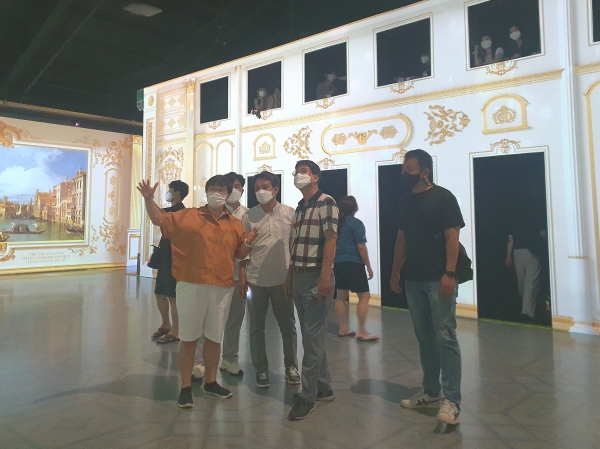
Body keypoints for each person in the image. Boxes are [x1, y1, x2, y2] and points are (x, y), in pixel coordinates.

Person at [137, 175, 258, 409]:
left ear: (228, 194)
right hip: (192, 284)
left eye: (221, 190)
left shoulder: (234, 224)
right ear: (206, 191)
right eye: (212, 189)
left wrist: (250, 241)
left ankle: (211, 381)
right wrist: (148, 199)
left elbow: (240, 254)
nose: (216, 193)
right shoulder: (188, 216)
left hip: (222, 287)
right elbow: (159, 219)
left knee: (214, 337)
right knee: (189, 337)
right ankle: (185, 387)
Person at [389, 149, 464, 425]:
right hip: (414, 279)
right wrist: (395, 272)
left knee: (445, 336)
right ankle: (432, 392)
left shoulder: (444, 197)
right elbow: (401, 240)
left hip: (438, 277)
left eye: (409, 170)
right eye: (403, 169)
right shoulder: (405, 201)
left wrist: (449, 273)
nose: (404, 174)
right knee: (424, 338)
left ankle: (452, 400)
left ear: (425, 172)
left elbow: (452, 237)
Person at [285, 160, 338, 421]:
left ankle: (307, 395)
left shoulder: (326, 202)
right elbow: (294, 244)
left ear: (316, 177)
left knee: (312, 336)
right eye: (297, 172)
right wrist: (290, 277)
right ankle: (323, 386)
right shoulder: (300, 206)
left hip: (317, 275)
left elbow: (331, 239)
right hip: (299, 275)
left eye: (304, 171)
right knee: (312, 337)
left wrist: (325, 276)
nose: (299, 175)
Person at [240, 171, 299, 388]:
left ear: (275, 189)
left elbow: (294, 247)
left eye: (265, 187)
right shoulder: (249, 216)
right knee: (256, 328)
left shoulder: (290, 213)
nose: (260, 191)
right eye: (257, 188)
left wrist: (291, 277)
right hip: (256, 280)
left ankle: (291, 366)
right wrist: (243, 276)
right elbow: (243, 249)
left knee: (288, 325)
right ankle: (261, 369)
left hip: (283, 280)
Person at [216, 172, 250, 375]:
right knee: (210, 318)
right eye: (229, 186)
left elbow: (248, 247)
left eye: (237, 186)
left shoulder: (248, 215)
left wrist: (244, 275)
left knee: (234, 320)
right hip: (215, 275)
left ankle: (229, 359)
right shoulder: (214, 212)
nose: (233, 190)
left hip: (238, 275)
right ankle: (201, 361)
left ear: (242, 190)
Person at [333, 196, 378, 341]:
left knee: (340, 297)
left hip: (339, 263)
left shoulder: (337, 224)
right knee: (364, 296)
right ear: (355, 207)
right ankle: (362, 331)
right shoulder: (357, 224)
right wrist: (369, 267)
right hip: (354, 263)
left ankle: (342, 328)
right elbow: (361, 246)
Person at [151, 180, 189, 345]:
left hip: (174, 258)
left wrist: (148, 198)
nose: (168, 193)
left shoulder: (180, 211)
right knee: (160, 293)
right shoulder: (171, 210)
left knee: (173, 296)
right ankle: (166, 324)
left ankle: (176, 330)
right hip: (165, 256)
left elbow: (158, 214)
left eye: (170, 190)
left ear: (177, 194)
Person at [506, 203, 547, 323]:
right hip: (532, 252)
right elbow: (543, 235)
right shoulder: (536, 218)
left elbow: (510, 240)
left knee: (521, 282)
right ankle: (527, 312)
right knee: (531, 282)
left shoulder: (514, 220)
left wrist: (508, 257)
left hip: (517, 252)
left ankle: (525, 307)